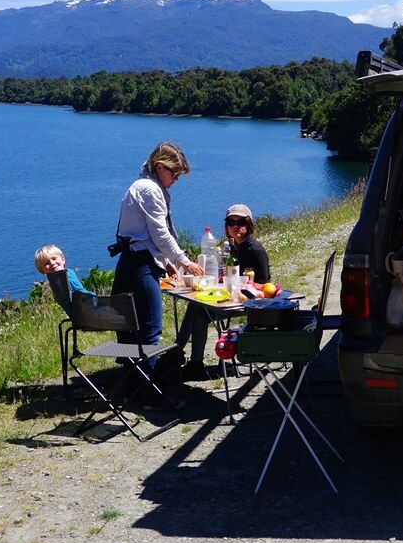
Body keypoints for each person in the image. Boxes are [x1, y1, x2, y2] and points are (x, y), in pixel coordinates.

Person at [111, 142, 204, 354]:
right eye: (174, 174)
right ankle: (148, 382)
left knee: (131, 330)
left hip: (131, 261)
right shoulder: (151, 190)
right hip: (140, 266)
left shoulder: (143, 186)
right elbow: (160, 234)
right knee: (151, 329)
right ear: (160, 167)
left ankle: (129, 378)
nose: (175, 180)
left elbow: (145, 235)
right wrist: (184, 262)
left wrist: (167, 262)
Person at [176, 203, 270, 381]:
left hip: (250, 303)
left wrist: (242, 285)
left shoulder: (255, 249)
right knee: (196, 307)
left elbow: (264, 286)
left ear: (249, 224)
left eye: (240, 222)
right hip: (233, 298)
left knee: (199, 313)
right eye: (231, 222)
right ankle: (190, 361)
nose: (235, 227)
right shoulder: (234, 247)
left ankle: (180, 354)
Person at [34, 244, 91, 316]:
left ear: (63, 259)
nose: (52, 263)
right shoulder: (66, 275)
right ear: (41, 270)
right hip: (88, 313)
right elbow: (81, 293)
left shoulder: (54, 281)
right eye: (46, 263)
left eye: (54, 258)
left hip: (76, 316)